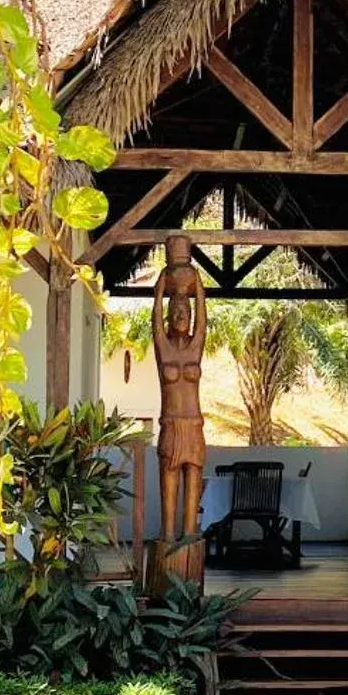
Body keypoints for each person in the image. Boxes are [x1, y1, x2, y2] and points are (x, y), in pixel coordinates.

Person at [151, 234, 207, 588]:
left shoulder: (196, 349)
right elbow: (154, 322)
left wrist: (198, 286)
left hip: (195, 425)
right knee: (169, 485)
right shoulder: (164, 350)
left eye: (186, 312)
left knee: (192, 486)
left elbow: (205, 320)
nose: (183, 315)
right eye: (177, 312)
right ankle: (169, 537)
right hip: (171, 426)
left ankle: (189, 535)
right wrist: (160, 292)